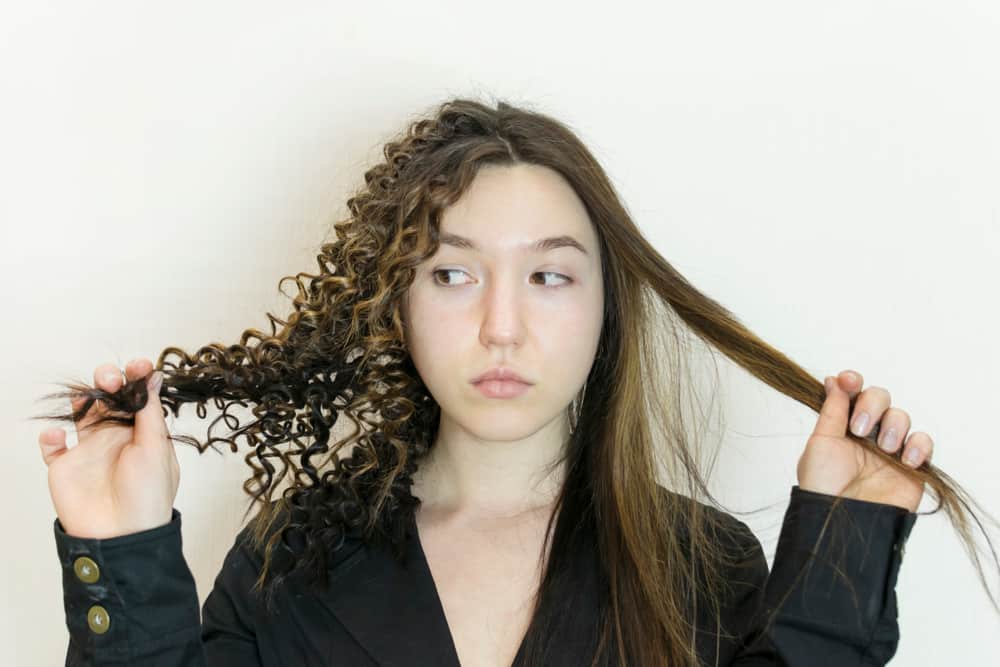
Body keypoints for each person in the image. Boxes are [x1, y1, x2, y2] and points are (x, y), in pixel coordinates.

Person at [34, 97, 988, 666]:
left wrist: (841, 552)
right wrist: (122, 549)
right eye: (452, 273)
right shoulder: (289, 567)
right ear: (395, 304)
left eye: (549, 274)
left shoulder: (705, 564)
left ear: (606, 308)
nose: (501, 323)